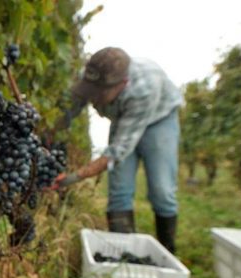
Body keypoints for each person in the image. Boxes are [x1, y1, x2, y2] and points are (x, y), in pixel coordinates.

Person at [50, 47, 182, 253]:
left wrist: (73, 178)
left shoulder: (143, 89)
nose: (92, 98)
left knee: (162, 190)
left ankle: (167, 252)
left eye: (98, 94)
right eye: (89, 91)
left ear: (123, 85)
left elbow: (118, 151)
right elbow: (67, 111)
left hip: (159, 120)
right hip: (123, 119)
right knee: (119, 192)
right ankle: (124, 256)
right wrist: (44, 136)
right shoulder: (91, 78)